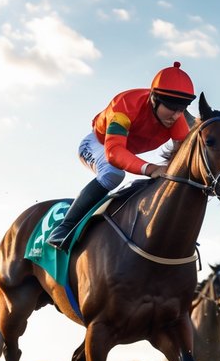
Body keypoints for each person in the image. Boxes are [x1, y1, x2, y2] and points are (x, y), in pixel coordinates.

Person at [46, 62, 197, 251]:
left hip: (123, 152)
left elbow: (183, 163)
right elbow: (114, 152)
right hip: (99, 144)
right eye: (171, 107)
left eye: (182, 109)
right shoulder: (126, 104)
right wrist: (151, 168)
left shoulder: (176, 119)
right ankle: (64, 229)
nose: (176, 116)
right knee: (113, 174)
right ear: (154, 99)